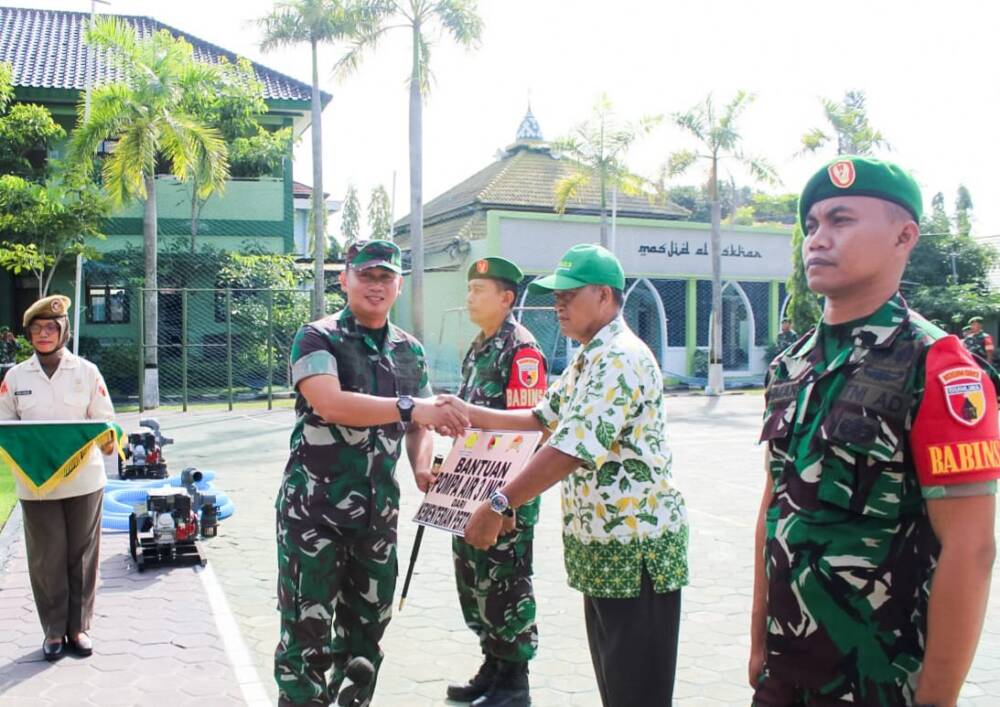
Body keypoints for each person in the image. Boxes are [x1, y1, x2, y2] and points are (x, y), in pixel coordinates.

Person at [751, 156, 1000, 706]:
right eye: (811, 224)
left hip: (880, 680)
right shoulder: (791, 366)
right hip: (786, 672)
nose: (817, 238)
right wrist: (757, 641)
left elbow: (971, 546)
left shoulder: (938, 366)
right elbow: (775, 508)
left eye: (841, 220)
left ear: (904, 236)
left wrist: (937, 698)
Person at [453, 244, 689, 707]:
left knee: (637, 690)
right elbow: (540, 420)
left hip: (636, 551)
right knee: (618, 685)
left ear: (604, 296)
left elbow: (568, 447)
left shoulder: (618, 357)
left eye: (569, 294)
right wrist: (465, 412)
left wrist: (499, 503)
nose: (557, 303)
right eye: (554, 295)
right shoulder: (588, 357)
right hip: (605, 549)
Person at [273, 240, 469, 707]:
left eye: (386, 278)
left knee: (367, 634)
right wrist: (412, 407)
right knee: (307, 630)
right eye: (366, 276)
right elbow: (331, 402)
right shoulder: (317, 337)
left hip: (377, 518)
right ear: (345, 279)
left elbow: (421, 424)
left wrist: (423, 467)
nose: (376, 286)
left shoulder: (409, 351)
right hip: (314, 515)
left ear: (398, 285)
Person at [446, 257, 547, 707]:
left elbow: (534, 430)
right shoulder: (479, 347)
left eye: (479, 289)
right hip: (471, 487)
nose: (470, 297)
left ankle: (514, 679)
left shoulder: (522, 351)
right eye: (469, 289)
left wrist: (508, 504)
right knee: (473, 579)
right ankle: (492, 662)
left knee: (506, 582)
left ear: (506, 299)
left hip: (507, 492)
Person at [0, 295, 115, 661]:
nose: (44, 334)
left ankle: (78, 628)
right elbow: (5, 427)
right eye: (36, 329)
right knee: (46, 557)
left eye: (51, 328)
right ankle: (52, 631)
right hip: (36, 483)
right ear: (29, 334)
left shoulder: (87, 372)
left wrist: (110, 441)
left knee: (82, 554)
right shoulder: (15, 377)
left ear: (63, 330)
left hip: (84, 480)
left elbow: (103, 419)